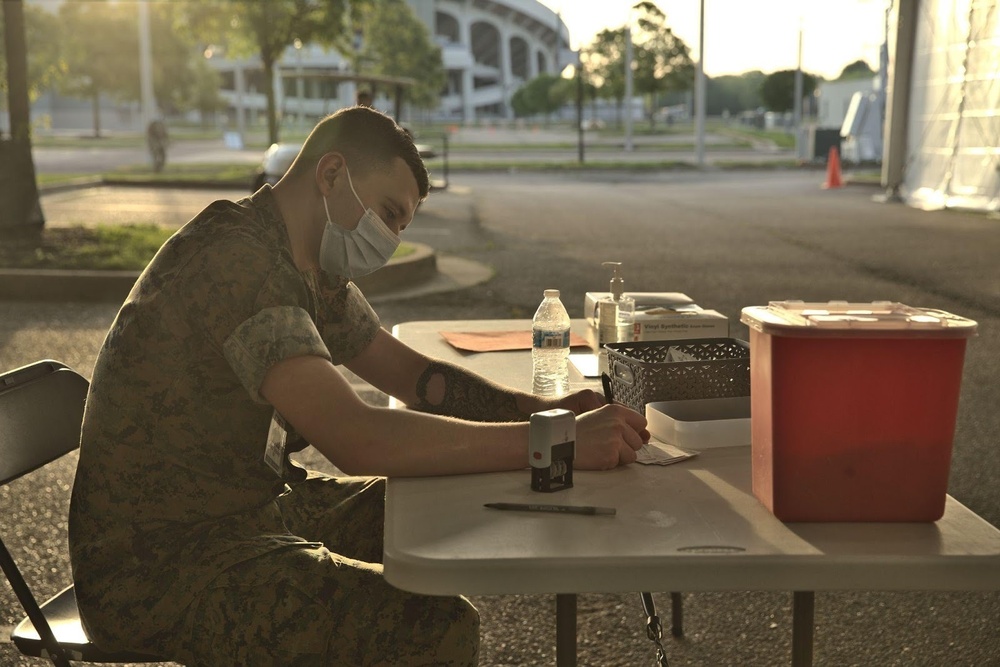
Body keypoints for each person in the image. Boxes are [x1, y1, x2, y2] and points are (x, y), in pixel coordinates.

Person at [68, 106, 649, 666]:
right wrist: (552, 441)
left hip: (249, 509)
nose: (390, 237)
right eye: (389, 213)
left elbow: (415, 377)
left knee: (450, 498)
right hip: (161, 566)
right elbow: (356, 438)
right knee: (436, 630)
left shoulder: (308, 262)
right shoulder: (237, 262)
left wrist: (542, 411)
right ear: (331, 173)